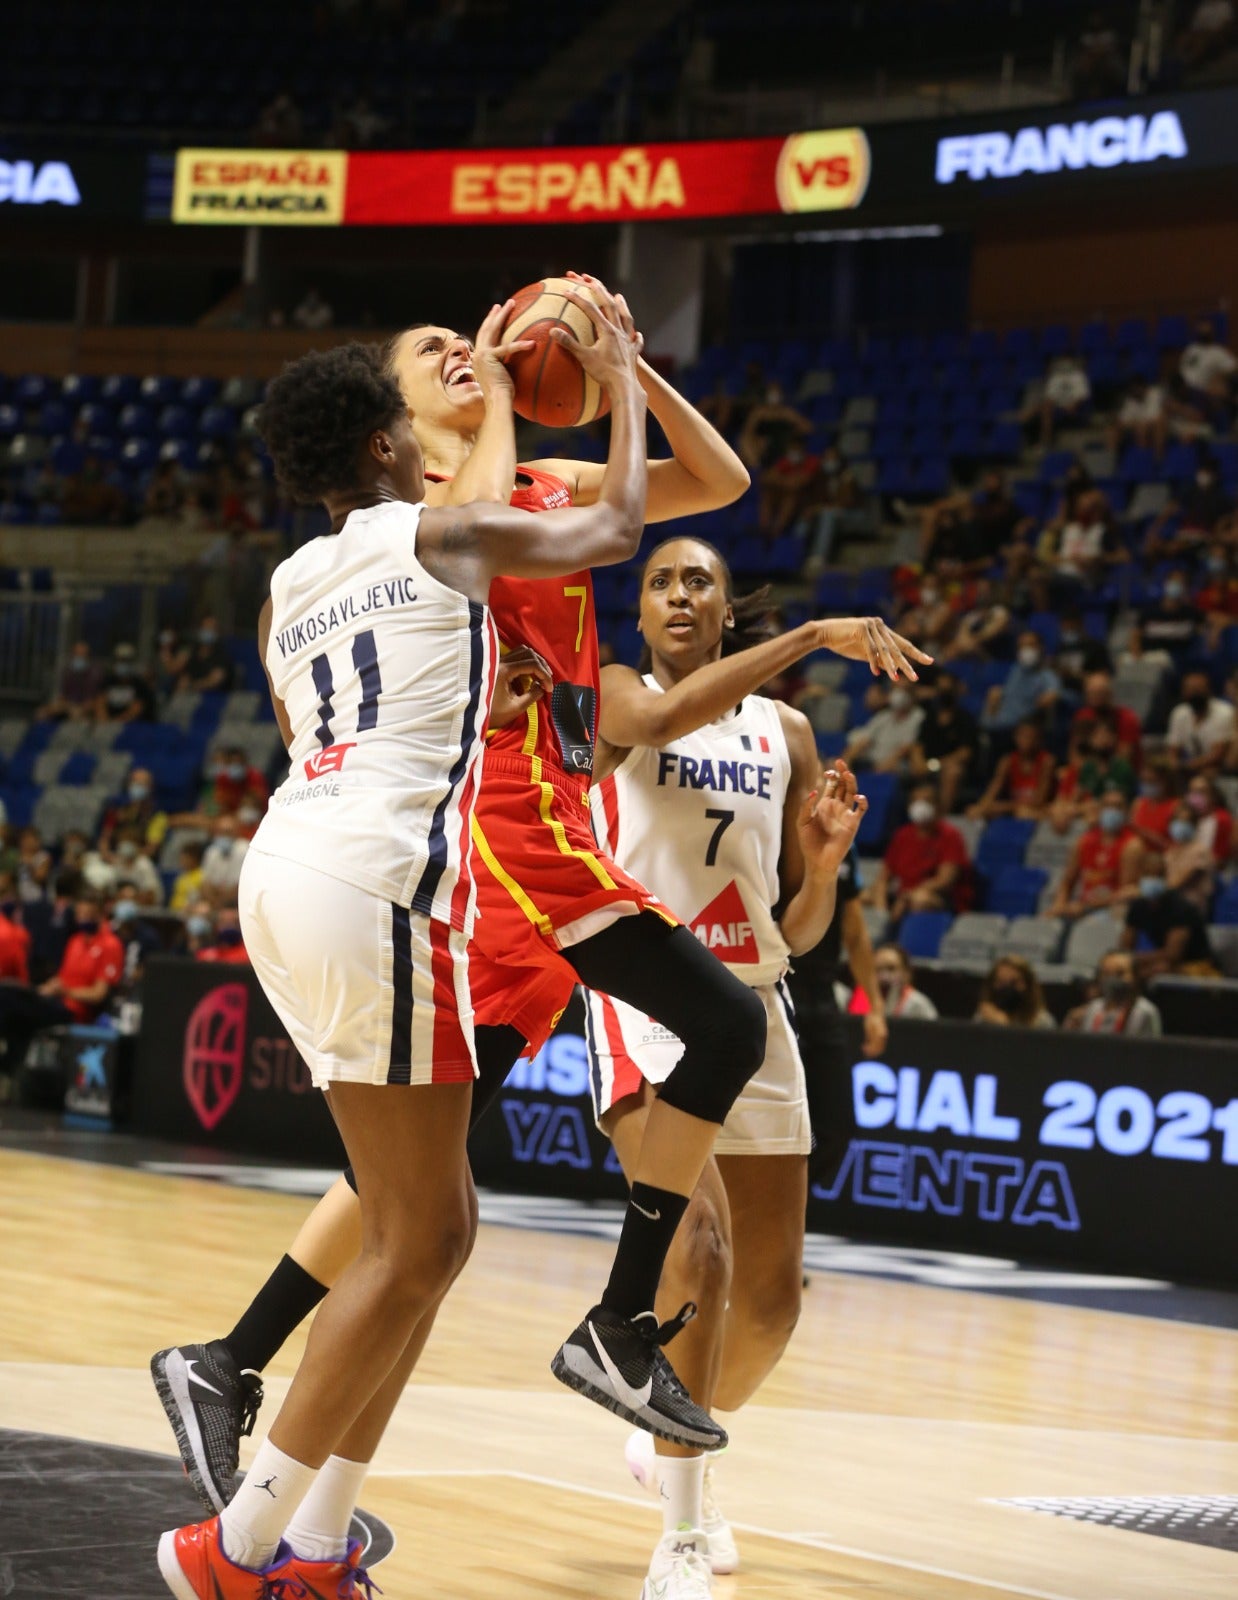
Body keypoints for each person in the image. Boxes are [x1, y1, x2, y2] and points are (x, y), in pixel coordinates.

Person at [149, 286, 927, 1588]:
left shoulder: (374, 540)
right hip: (484, 825)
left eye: (468, 341)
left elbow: (712, 480)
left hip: (377, 838)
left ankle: (274, 1444)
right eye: (425, 355)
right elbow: (602, 582)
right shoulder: (454, 515)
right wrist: (533, 400)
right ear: (390, 429)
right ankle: (284, 1481)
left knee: (427, 1196)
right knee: (431, 1212)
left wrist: (624, 370)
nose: (460, 348)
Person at [583, 536, 870, 1598]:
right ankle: (684, 1532)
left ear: (720, 605)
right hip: (642, 1005)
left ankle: (666, 1436)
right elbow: (656, 721)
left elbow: (792, 925)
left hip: (755, 1008)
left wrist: (828, 866)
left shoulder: (785, 730)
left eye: (694, 578)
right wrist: (812, 635)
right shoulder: (613, 696)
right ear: (643, 607)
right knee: (692, 1249)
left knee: (771, 1302)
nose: (676, 592)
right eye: (658, 579)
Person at [0, 887, 123, 1067]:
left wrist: (66, 991)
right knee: (8, 992)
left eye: (88, 914)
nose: (83, 919)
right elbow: (62, 978)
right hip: (55, 1002)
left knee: (8, 1003)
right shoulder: (75, 941)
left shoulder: (111, 945)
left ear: (100, 914)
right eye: (80, 914)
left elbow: (99, 994)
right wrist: (46, 989)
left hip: (75, 1013)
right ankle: (12, 1067)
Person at [868, 780, 969, 921]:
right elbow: (884, 877)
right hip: (901, 895)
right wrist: (881, 908)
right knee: (857, 898)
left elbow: (944, 880)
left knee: (919, 899)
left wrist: (906, 897)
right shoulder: (902, 835)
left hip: (937, 898)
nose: (920, 806)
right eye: (915, 800)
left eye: (926, 801)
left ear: (937, 806)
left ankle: (909, 940)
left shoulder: (950, 835)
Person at [1048, 787, 1141, 918]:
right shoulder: (1083, 842)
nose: (1112, 811)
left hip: (1111, 909)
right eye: (1107, 806)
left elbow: (1126, 892)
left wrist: (1086, 907)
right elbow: (1067, 882)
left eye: (1117, 806)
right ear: (1100, 810)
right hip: (1083, 907)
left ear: (1126, 811)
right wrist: (1059, 905)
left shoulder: (1132, 846)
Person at [1122, 868, 1217, 978]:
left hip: (1196, 964)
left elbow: (1172, 955)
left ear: (1165, 878)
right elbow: (1125, 946)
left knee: (1158, 969)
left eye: (1156, 876)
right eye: (1147, 875)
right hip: (1159, 961)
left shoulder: (1180, 908)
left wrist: (1134, 959)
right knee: (1119, 968)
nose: (1151, 881)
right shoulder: (1138, 906)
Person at [908, 673, 977, 816]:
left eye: (947, 689)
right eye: (941, 689)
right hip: (928, 766)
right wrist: (919, 762)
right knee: (911, 768)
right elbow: (917, 745)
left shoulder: (965, 718)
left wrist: (937, 765)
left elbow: (965, 753)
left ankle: (942, 817)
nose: (944, 693)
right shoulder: (929, 717)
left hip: (948, 766)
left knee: (953, 772)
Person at [969, 717, 1054, 820]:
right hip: (1016, 810)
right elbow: (993, 790)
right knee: (982, 811)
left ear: (1038, 739)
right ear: (1015, 737)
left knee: (1025, 813)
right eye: (1022, 736)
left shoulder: (1046, 761)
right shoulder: (1007, 761)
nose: (1026, 741)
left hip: (1038, 811)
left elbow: (1039, 801)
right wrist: (981, 807)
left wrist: (1005, 807)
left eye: (1030, 737)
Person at [980, 630, 1060, 739]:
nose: (1026, 650)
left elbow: (1054, 695)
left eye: (1031, 645)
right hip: (998, 728)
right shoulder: (1011, 671)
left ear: (1041, 648)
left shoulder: (1047, 675)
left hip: (1023, 731)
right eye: (1022, 646)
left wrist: (1050, 697)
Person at [1065, 950, 1162, 1036]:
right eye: (1106, 973)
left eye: (1119, 974)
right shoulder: (1093, 1008)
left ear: (1135, 977)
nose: (1112, 979)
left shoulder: (1144, 1012)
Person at [842, 682, 923, 774]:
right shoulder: (884, 715)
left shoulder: (918, 716)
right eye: (895, 689)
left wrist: (880, 770)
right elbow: (864, 741)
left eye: (903, 690)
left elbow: (904, 749)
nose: (898, 694)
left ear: (911, 695)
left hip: (895, 767)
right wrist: (846, 761)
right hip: (872, 762)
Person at [1166, 671, 1236, 774]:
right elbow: (1173, 748)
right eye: (1191, 689)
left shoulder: (1224, 712)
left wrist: (1186, 766)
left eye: (1199, 689)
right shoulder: (1179, 713)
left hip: (1217, 767)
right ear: (1183, 692)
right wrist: (1173, 764)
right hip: (1187, 765)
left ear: (1209, 690)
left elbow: (1217, 754)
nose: (1195, 693)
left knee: (1208, 773)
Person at [100, 767, 168, 858]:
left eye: (142, 783)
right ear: (128, 785)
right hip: (114, 856)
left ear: (150, 787)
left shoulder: (157, 815)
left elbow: (152, 848)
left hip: (138, 859)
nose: (137, 785)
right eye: (134, 782)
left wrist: (129, 858)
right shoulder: (115, 809)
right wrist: (107, 855)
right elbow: (105, 838)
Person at [974, 956, 1055, 1029]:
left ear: (1028, 985)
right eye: (1001, 982)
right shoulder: (984, 1017)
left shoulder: (1042, 1021)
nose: (1007, 988)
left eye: (1014, 983)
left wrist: (1003, 1024)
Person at [34, 640, 103, 721]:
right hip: (68, 704)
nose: (78, 657)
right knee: (41, 712)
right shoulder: (68, 672)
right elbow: (63, 696)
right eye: (76, 654)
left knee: (76, 714)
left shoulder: (94, 673)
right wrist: (61, 706)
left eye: (81, 655)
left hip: (85, 707)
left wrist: (81, 708)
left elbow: (95, 699)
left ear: (87, 656)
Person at [871, 943, 937, 1019]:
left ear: (907, 974)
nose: (883, 976)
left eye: (891, 969)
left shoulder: (918, 1005)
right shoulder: (861, 1000)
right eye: (877, 969)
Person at [95, 642, 156, 723]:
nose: (123, 664)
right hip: (108, 724)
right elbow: (100, 702)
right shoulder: (108, 681)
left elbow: (137, 708)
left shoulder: (139, 684)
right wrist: (105, 723)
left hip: (133, 726)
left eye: (126, 661)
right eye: (120, 660)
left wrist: (117, 722)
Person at [178, 618, 235, 694]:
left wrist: (192, 685)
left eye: (211, 629)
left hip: (214, 698)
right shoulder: (193, 653)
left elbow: (215, 680)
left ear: (217, 632)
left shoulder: (222, 655)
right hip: (190, 698)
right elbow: (184, 677)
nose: (208, 631)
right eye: (205, 628)